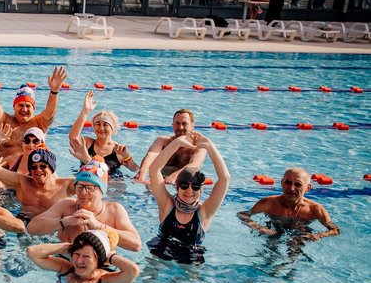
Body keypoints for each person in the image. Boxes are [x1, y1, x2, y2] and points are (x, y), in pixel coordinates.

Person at [147, 133, 230, 264]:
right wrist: (177, 143)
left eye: (196, 186)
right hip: (161, 250)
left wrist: (210, 146)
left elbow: (224, 179)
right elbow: (154, 169)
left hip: (190, 257)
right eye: (184, 185)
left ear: (201, 189)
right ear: (177, 187)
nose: (190, 191)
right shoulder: (167, 205)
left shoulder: (204, 212)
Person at [27, 158, 142, 251]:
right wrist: (65, 221)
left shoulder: (114, 210)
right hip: (65, 262)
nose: (83, 193)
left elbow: (136, 245)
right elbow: (31, 228)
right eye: (80, 187)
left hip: (101, 267)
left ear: (102, 191)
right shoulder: (66, 206)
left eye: (89, 188)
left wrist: (99, 226)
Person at [27, 230, 140, 283]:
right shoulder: (65, 268)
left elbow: (133, 271)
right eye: (76, 254)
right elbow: (32, 252)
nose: (79, 261)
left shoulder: (104, 280)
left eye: (86, 256)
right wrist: (67, 246)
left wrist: (108, 256)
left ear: (98, 260)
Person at [0, 61, 68, 159]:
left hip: (32, 170)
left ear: (33, 108)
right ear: (14, 107)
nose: (24, 109)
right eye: (20, 105)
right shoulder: (5, 121)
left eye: (28, 106)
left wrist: (54, 91)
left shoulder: (39, 123)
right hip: (6, 171)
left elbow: (50, 114)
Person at [0, 124, 72, 220]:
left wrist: (86, 160)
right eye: (33, 167)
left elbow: (89, 179)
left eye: (43, 166)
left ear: (51, 169)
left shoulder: (63, 185)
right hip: (23, 217)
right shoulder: (21, 181)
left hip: (51, 223)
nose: (38, 170)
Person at [237, 168, 339, 243]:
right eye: (288, 183)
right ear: (281, 183)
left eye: (298, 184)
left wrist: (318, 235)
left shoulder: (315, 209)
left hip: (300, 231)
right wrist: (258, 227)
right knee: (271, 243)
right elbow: (242, 214)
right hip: (274, 227)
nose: (292, 188)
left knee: (296, 243)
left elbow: (335, 230)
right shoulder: (269, 203)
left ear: (308, 188)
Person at [67, 91, 138, 175]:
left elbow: (135, 170)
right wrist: (85, 112)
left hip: (111, 183)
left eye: (105, 124)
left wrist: (127, 156)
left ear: (113, 128)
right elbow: (73, 137)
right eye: (98, 124)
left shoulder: (118, 150)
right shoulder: (87, 143)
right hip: (86, 183)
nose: (101, 128)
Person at [133, 109, 206, 185]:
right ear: (172, 125)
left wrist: (174, 176)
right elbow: (151, 155)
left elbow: (195, 164)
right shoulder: (162, 141)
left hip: (184, 183)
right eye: (177, 123)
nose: (180, 127)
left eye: (184, 124)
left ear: (192, 126)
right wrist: (142, 172)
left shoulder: (198, 146)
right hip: (160, 178)